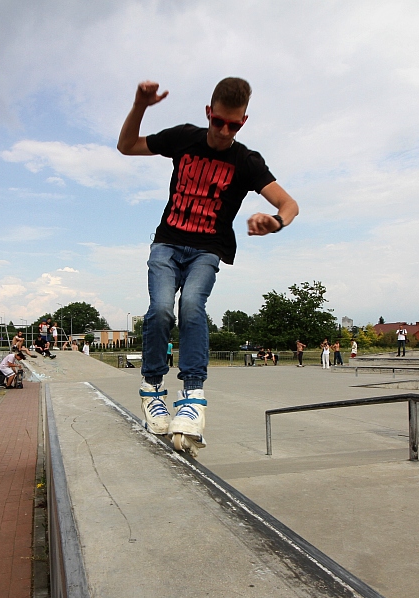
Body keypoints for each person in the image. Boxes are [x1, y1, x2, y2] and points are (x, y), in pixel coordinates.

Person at [119, 77, 298, 454]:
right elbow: (126, 146)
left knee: (192, 307)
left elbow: (289, 204)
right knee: (160, 310)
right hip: (167, 244)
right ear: (209, 114)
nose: (224, 131)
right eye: (219, 122)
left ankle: (193, 394)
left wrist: (275, 221)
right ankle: (152, 388)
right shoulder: (184, 137)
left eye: (233, 125)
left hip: (207, 250)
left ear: (243, 123)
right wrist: (139, 106)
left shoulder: (246, 161)